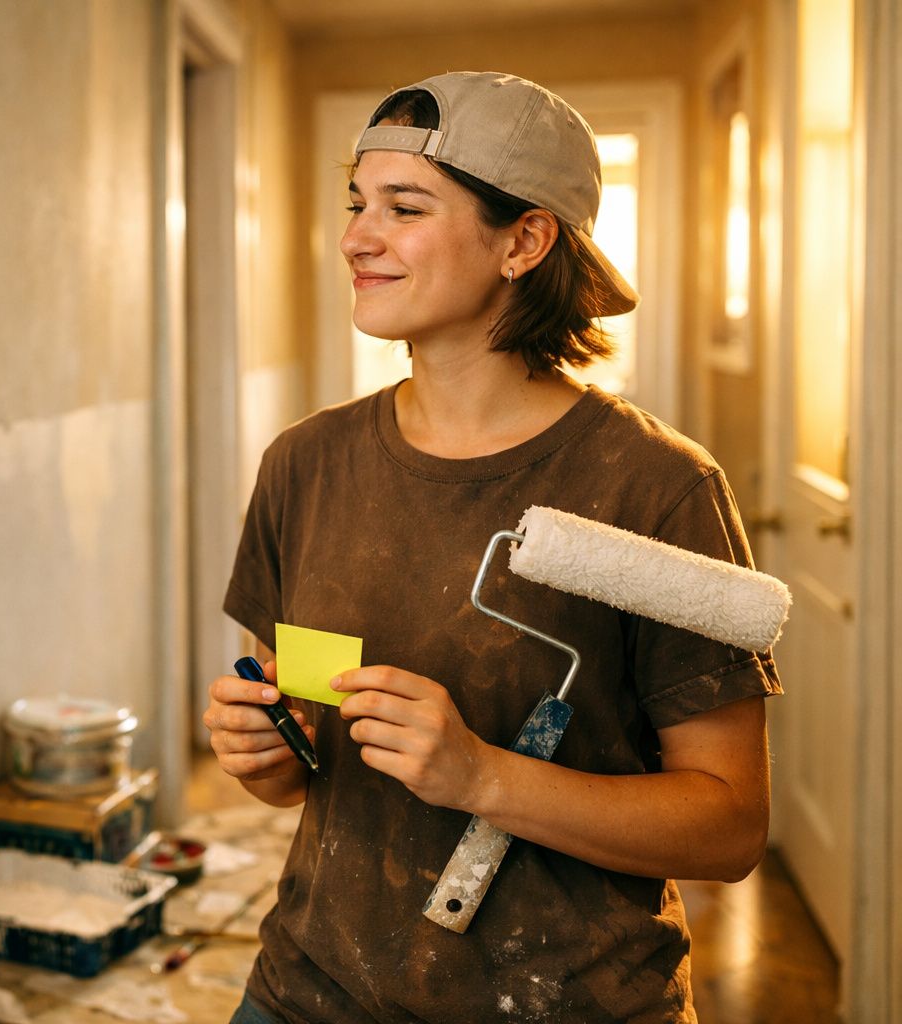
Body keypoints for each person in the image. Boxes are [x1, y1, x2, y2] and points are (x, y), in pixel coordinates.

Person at [206, 71, 781, 1023]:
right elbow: (302, 761)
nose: (355, 237)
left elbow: (729, 829)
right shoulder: (305, 463)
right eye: (357, 203)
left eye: (404, 207)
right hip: (308, 991)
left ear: (524, 241)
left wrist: (481, 776)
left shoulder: (658, 487)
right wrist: (268, 754)